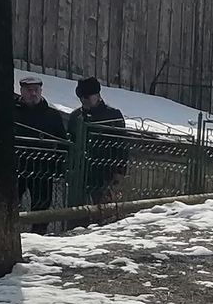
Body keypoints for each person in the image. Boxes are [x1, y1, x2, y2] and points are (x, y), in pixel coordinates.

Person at [14, 76, 70, 216]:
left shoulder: (52, 115)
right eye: (29, 90)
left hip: (42, 168)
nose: (33, 93)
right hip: (16, 167)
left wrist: (57, 165)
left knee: (42, 207)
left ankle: (39, 230)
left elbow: (62, 142)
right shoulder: (11, 112)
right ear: (21, 91)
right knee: (10, 203)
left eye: (36, 90)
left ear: (41, 91)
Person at [73, 77, 130, 206]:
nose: (84, 100)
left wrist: (119, 172)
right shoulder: (76, 117)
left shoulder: (112, 116)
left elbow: (121, 145)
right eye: (81, 97)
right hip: (80, 174)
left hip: (105, 173)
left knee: (103, 209)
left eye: (87, 97)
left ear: (97, 95)